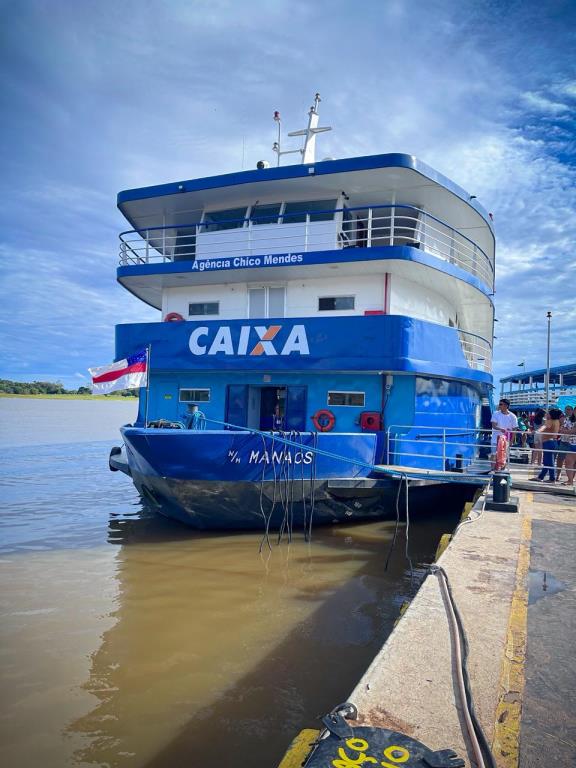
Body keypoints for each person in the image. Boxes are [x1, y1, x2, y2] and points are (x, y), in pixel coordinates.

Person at [532, 408, 563, 482]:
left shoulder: (550, 421)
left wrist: (537, 431)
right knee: (547, 461)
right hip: (553, 442)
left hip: (548, 442)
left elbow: (544, 427)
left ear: (551, 415)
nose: (546, 414)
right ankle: (541, 477)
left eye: (548, 413)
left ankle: (552, 478)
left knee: (549, 461)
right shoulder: (557, 421)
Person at [490, 399, 518, 466]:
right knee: (493, 454)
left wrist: (511, 441)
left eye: (501, 404)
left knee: (504, 456)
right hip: (495, 438)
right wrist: (501, 429)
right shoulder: (495, 414)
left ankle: (502, 470)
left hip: (506, 439)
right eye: (499, 404)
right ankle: (493, 469)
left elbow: (514, 429)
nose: (499, 406)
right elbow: (493, 425)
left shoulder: (513, 416)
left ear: (506, 406)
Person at [556, 405, 575, 482]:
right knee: (560, 459)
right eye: (566, 409)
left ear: (572, 410)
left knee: (572, 462)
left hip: (572, 443)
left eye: (569, 409)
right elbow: (561, 429)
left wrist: (568, 430)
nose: (567, 411)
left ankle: (571, 479)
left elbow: (569, 430)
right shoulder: (564, 419)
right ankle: (558, 475)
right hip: (564, 441)